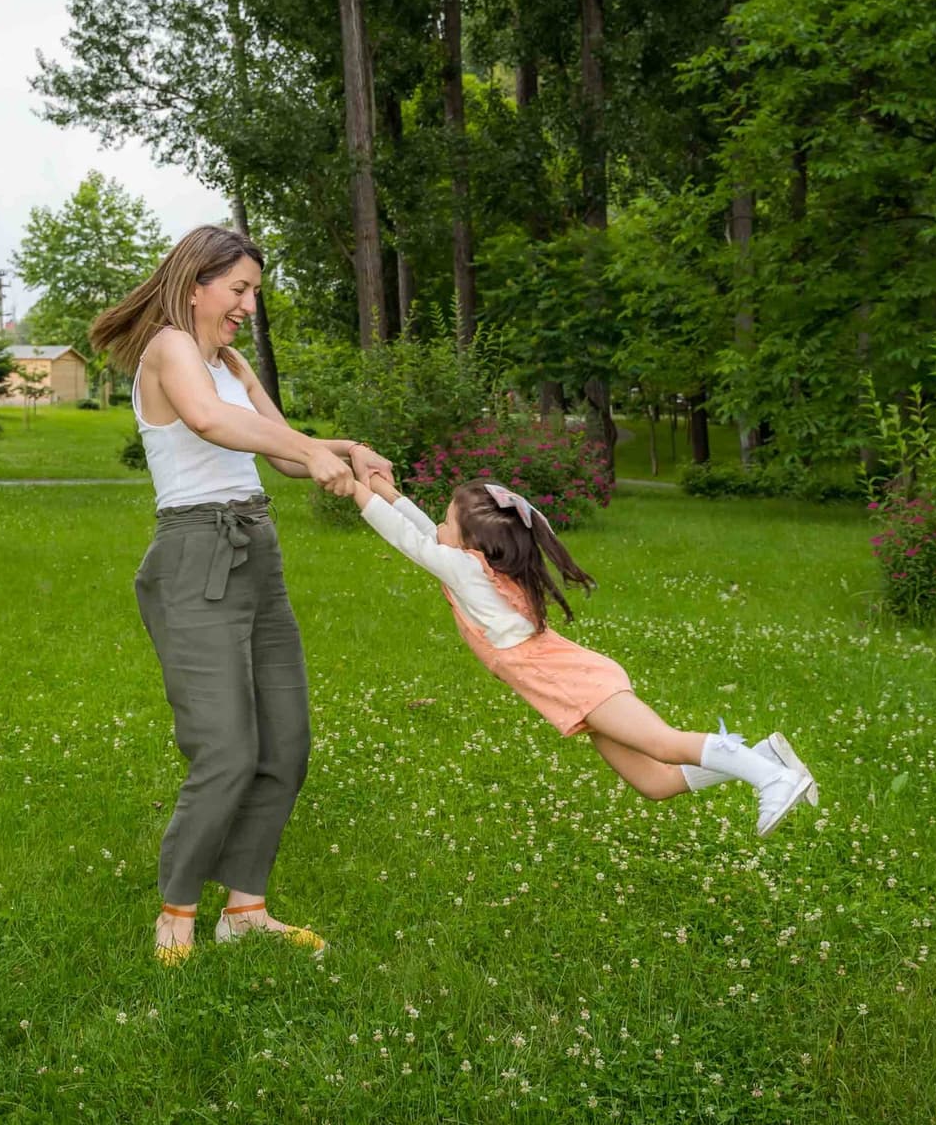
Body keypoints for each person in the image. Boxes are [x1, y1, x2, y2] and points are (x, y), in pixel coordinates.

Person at [89, 224, 394, 966]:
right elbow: (210, 421)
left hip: (257, 549)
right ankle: (176, 913)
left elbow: (280, 447)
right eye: (240, 290)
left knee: (285, 742)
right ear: (197, 283)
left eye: (254, 292)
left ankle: (246, 909)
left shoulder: (227, 360)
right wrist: (314, 453)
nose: (249, 307)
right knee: (225, 749)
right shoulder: (170, 349)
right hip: (196, 553)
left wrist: (346, 451)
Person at [346, 453, 817, 832]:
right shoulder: (475, 566)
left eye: (448, 522)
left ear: (473, 548)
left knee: (665, 744)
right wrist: (384, 488)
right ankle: (764, 759)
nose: (439, 528)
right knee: (654, 783)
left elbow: (411, 539)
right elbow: (426, 531)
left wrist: (353, 488)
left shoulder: (466, 570)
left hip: (577, 685)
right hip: (575, 688)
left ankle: (772, 779)